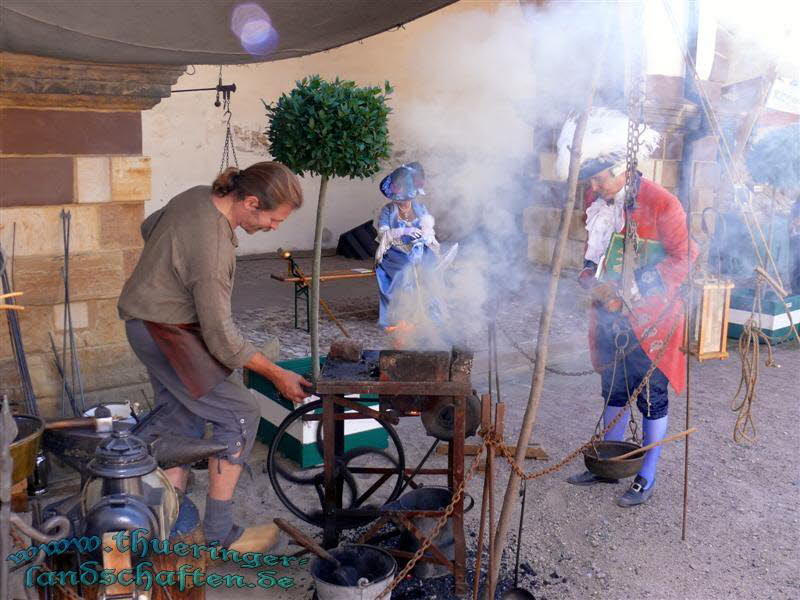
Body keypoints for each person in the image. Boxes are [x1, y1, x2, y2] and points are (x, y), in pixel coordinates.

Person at [118, 162, 312, 550]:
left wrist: (169, 267)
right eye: (273, 219)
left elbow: (149, 226)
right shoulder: (214, 249)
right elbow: (222, 338)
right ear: (251, 202)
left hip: (145, 321)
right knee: (239, 412)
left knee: (181, 414)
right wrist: (276, 374)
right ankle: (218, 534)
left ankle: (169, 521)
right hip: (165, 331)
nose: (275, 228)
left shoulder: (195, 195)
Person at [557, 108, 698, 506]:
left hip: (653, 319)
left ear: (623, 169)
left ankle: (646, 475)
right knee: (613, 389)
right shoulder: (597, 197)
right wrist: (592, 283)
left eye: (601, 178)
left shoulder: (664, 204)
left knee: (651, 394)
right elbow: (592, 257)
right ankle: (607, 463)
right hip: (608, 314)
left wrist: (635, 289)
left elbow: (684, 258)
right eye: (591, 178)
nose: (595, 185)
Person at [374, 162, 441, 329]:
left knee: (431, 266)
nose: (404, 202)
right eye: (401, 199)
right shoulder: (388, 210)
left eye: (408, 199)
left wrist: (425, 236)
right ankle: (403, 316)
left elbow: (429, 230)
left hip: (418, 248)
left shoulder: (420, 208)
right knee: (406, 268)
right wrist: (402, 232)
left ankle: (428, 313)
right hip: (395, 251)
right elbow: (383, 233)